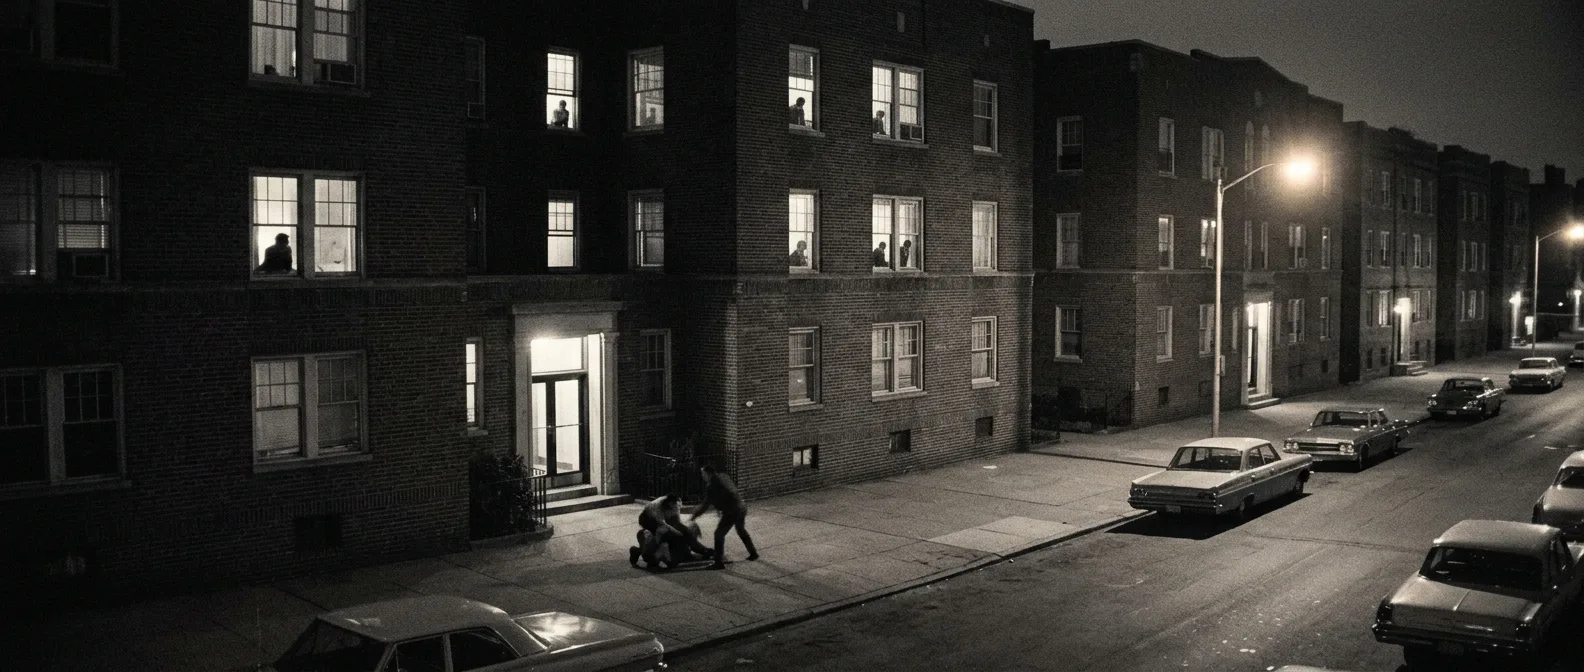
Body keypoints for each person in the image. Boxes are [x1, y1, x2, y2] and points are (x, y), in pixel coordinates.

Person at [691, 464, 758, 570]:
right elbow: (729, 491)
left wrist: (694, 516)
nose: (702, 476)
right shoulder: (724, 476)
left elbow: (706, 504)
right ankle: (753, 553)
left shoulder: (711, 485)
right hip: (741, 506)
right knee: (741, 530)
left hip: (731, 511)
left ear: (709, 474)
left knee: (718, 534)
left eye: (703, 474)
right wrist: (720, 507)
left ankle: (718, 563)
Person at [630, 493, 711, 568]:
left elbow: (678, 523)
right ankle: (639, 551)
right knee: (663, 536)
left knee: (681, 533)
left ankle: (699, 551)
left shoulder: (676, 503)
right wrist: (678, 533)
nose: (677, 509)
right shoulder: (656, 508)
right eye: (674, 509)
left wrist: (686, 531)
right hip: (648, 519)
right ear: (670, 506)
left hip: (662, 525)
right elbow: (665, 526)